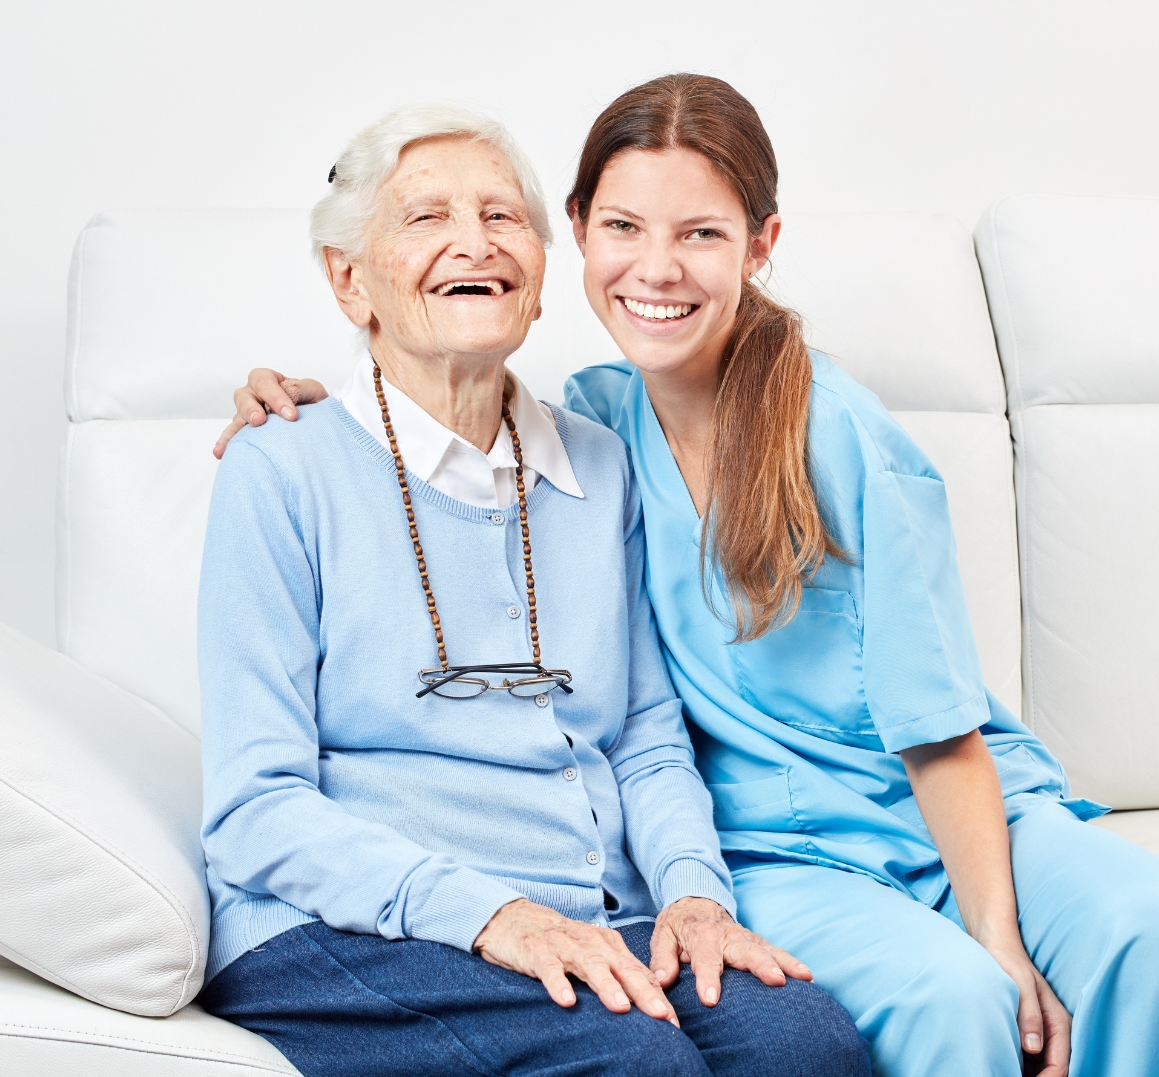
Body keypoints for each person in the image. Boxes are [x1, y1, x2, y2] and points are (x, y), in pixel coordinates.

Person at [224, 76, 1159, 1077]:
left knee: (1139, 927)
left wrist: (998, 932)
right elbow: (439, 393)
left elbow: (937, 730)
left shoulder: (816, 433)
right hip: (773, 845)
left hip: (949, 812)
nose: (657, 268)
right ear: (578, 235)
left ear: (759, 246)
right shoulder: (586, 428)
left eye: (702, 234)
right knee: (952, 998)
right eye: (623, 224)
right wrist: (315, 400)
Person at [196, 103, 869, 1077]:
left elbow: (642, 731)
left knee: (804, 1042)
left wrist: (691, 894)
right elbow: (255, 807)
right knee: (638, 1067)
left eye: (503, 217)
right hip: (344, 929)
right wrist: (489, 915)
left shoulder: (597, 464)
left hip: (592, 916)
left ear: (541, 272)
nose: (475, 241)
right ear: (350, 279)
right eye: (426, 217)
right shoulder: (283, 466)